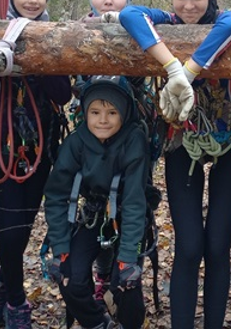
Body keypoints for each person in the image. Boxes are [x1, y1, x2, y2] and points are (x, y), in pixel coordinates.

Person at [110, 0, 231, 329]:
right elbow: (130, 14)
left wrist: (186, 73)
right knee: (189, 246)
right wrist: (171, 68)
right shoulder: (164, 19)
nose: (188, 5)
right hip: (180, 140)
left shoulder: (226, 18)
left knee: (217, 245)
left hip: (228, 139)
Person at [0, 0, 73, 328]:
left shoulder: (54, 34)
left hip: (41, 150)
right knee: (10, 232)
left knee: (24, 227)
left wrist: (34, 64)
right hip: (4, 148)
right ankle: (15, 301)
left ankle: (0, 283)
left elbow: (63, 94)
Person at [75, 0, 161, 313]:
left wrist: (130, 21)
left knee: (130, 206)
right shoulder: (78, 32)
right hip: (93, 143)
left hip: (133, 144)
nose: (108, 0)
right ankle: (101, 273)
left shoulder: (140, 23)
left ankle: (128, 271)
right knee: (94, 203)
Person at [42, 76, 150, 329]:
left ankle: (130, 323)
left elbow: (135, 200)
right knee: (70, 278)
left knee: (125, 283)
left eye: (112, 112)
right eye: (95, 112)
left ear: (124, 114)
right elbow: (56, 195)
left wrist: (127, 259)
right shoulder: (76, 143)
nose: (103, 120)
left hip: (125, 214)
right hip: (93, 214)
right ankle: (98, 323)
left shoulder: (134, 141)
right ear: (85, 112)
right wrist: (60, 247)